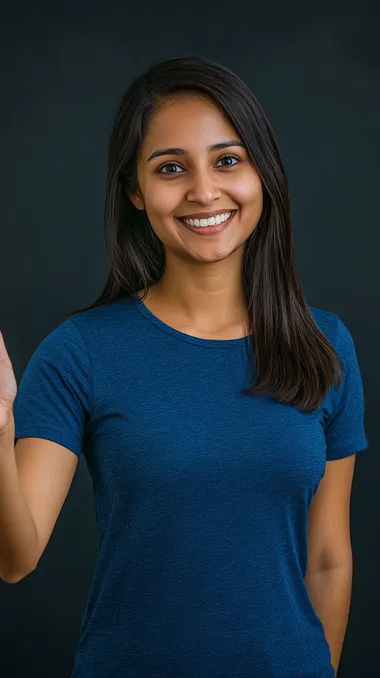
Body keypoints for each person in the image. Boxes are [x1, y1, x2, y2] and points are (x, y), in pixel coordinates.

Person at [0, 56, 368, 677]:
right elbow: (15, 557)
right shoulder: (80, 351)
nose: (203, 191)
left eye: (228, 160)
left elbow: (329, 558)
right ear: (137, 192)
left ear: (263, 174)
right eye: (171, 168)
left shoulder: (324, 344)